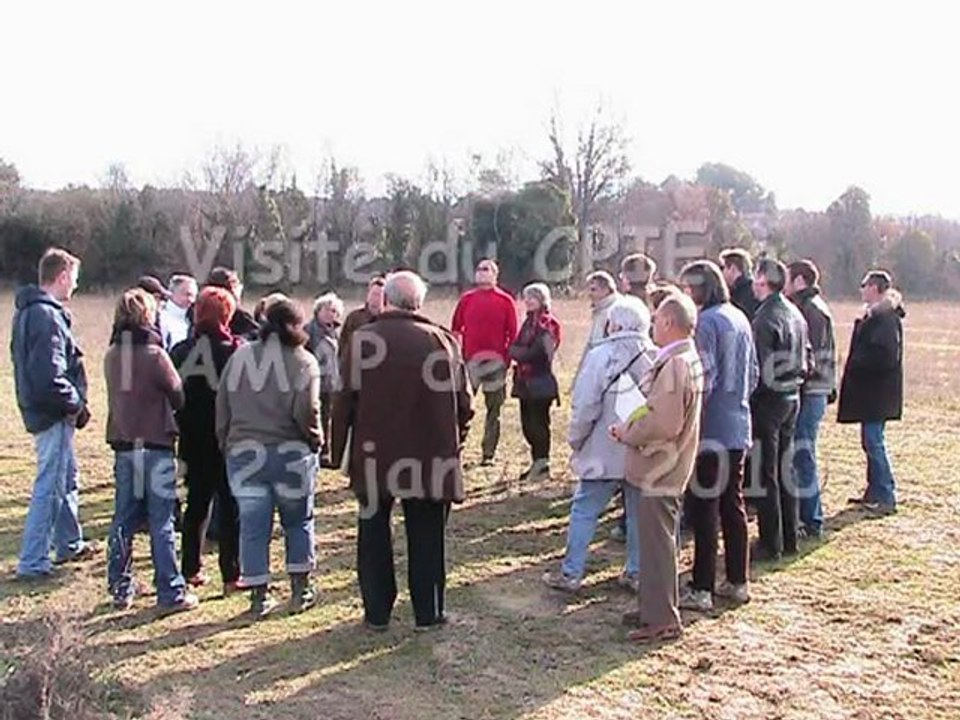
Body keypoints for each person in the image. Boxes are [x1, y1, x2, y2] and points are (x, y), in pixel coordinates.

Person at [331, 271, 472, 632]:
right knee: (428, 533)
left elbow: (342, 400)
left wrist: (338, 451)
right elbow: (464, 402)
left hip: (374, 454)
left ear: (387, 300)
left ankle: (377, 612)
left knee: (373, 531)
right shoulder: (442, 341)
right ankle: (428, 610)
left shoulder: (363, 341)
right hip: (430, 453)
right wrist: (457, 440)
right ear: (419, 303)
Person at [216, 297, 322, 618]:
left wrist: (226, 441)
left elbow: (223, 404)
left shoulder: (240, 356)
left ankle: (259, 595)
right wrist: (315, 439)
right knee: (298, 520)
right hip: (290, 452)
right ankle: (301, 588)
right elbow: (307, 410)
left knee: (252, 525)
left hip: (244, 452)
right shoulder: (303, 361)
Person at [541, 296, 654, 593]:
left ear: (613, 324)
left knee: (585, 509)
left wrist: (576, 439)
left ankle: (571, 572)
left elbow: (585, 404)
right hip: (641, 448)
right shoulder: (656, 357)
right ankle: (637, 572)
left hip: (602, 448)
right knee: (638, 513)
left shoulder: (600, 355)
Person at [611, 294, 703, 643]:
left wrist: (627, 432)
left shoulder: (676, 364)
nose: (652, 326)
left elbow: (663, 422)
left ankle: (662, 618)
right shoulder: (686, 357)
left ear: (668, 322)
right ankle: (652, 608)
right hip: (666, 466)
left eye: (656, 320)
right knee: (653, 544)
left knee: (658, 546)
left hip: (661, 468)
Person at [104, 288, 198, 612]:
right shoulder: (155, 355)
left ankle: (120, 586)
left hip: (124, 444)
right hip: (155, 443)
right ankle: (170, 590)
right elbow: (178, 395)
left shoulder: (112, 354)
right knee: (161, 521)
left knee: (123, 518)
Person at [11, 248, 97, 579]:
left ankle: (68, 542)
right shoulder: (46, 317)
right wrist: (76, 404)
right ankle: (33, 560)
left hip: (44, 409)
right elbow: (49, 376)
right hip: (52, 413)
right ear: (61, 277)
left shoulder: (31, 312)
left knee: (67, 478)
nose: (75, 285)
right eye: (73, 279)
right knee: (50, 484)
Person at [677, 261, 758, 612]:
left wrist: (686, 416)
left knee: (705, 507)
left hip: (711, 429)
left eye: (688, 288)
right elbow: (753, 373)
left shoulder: (707, 322)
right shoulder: (740, 317)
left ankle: (702, 587)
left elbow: (704, 379)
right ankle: (738, 580)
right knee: (732, 504)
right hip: (738, 423)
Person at [170, 287, 244, 594]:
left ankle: (191, 568)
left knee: (197, 504)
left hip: (192, 436)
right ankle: (231, 573)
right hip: (229, 436)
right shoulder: (236, 351)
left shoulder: (181, 351)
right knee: (231, 505)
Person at [749, 258, 809, 561]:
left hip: (770, 400)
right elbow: (808, 356)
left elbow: (759, 367)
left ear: (763, 279)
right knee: (786, 468)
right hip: (792, 396)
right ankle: (789, 537)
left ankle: (770, 542)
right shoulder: (795, 312)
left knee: (766, 472)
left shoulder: (765, 318)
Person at [837, 270, 904, 515]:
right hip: (872, 393)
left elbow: (886, 356)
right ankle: (874, 490)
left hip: (878, 393)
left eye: (864, 285)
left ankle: (885, 494)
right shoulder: (874, 316)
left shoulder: (886, 319)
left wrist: (857, 361)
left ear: (874, 288)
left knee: (874, 442)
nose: (861, 289)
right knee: (869, 441)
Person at [786, 259, 838, 538]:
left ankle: (811, 519)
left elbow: (813, 357)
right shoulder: (809, 306)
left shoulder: (812, 311)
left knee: (803, 452)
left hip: (812, 390)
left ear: (799, 280)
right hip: (814, 389)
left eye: (787, 277)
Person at [450, 259, 518, 466]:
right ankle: (455, 450)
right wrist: (457, 357)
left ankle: (488, 454)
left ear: (495, 275)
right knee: (460, 406)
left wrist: (506, 360)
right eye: (479, 269)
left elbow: (513, 333)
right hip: (470, 361)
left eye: (486, 269)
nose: (481, 272)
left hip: (496, 363)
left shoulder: (505, 301)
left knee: (494, 409)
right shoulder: (467, 299)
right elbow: (455, 329)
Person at [509, 283, 562, 481]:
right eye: (526, 297)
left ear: (542, 299)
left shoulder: (548, 324)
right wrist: (518, 352)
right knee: (527, 426)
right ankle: (536, 463)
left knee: (539, 425)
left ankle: (542, 465)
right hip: (524, 382)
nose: (528, 301)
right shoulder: (528, 323)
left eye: (533, 297)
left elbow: (541, 353)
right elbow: (514, 348)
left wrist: (520, 353)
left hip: (540, 381)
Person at [306, 292, 344, 467]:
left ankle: (326, 452)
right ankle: (317, 451)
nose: (330, 314)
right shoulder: (309, 331)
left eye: (334, 311)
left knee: (329, 418)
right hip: (314, 382)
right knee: (316, 417)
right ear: (318, 311)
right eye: (327, 310)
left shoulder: (337, 333)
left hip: (332, 382)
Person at [575, 271, 622, 378]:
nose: (590, 294)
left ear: (606, 289)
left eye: (593, 290)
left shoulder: (615, 310)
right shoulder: (600, 310)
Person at [338, 274, 386, 369]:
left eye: (379, 295)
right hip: (357, 366)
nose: (376, 298)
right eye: (374, 294)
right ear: (368, 295)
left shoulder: (387, 319)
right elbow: (344, 344)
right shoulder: (354, 317)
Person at [206, 267, 259, 340]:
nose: (240, 288)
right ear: (231, 289)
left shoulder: (199, 311)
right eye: (237, 284)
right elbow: (258, 333)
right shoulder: (238, 315)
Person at [160, 274, 198, 350]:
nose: (191, 300)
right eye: (187, 294)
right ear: (171, 293)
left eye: (194, 296)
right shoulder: (161, 318)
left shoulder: (194, 320)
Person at [720, 248, 759, 322]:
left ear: (733, 269)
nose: (722, 272)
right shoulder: (753, 289)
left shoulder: (741, 294)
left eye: (723, 268)